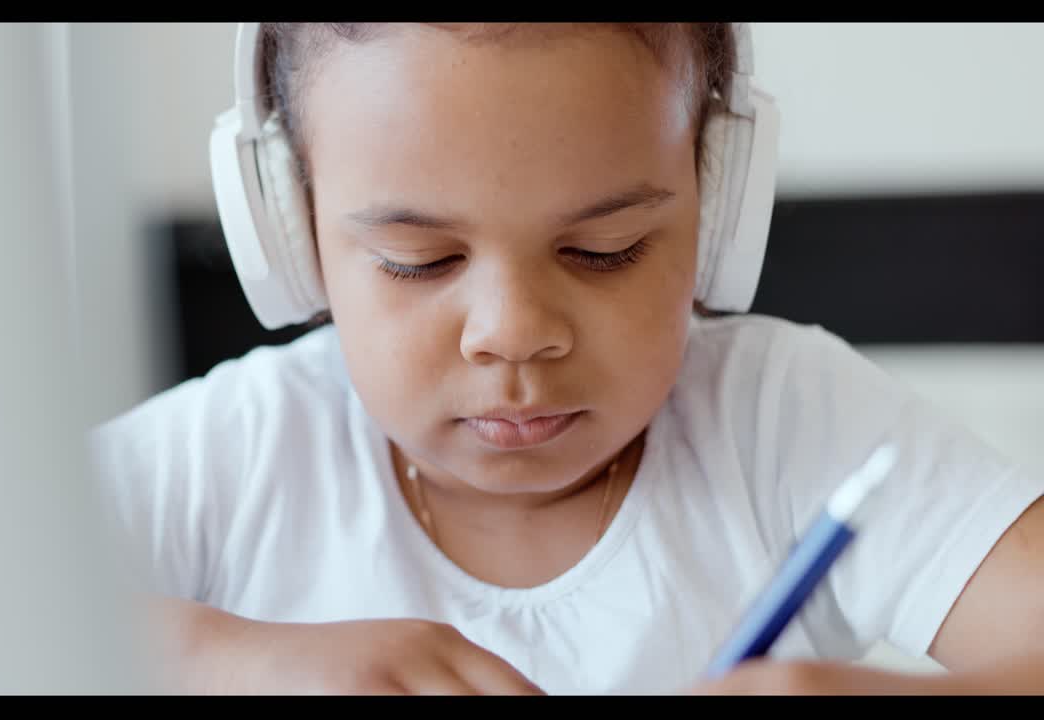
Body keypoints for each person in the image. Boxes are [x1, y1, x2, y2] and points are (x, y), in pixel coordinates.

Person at [90, 22, 1044, 694]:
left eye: (605, 250)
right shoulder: (230, 455)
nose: (513, 332)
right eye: (417, 262)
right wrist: (228, 665)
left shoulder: (788, 421)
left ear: (717, 210)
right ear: (290, 235)